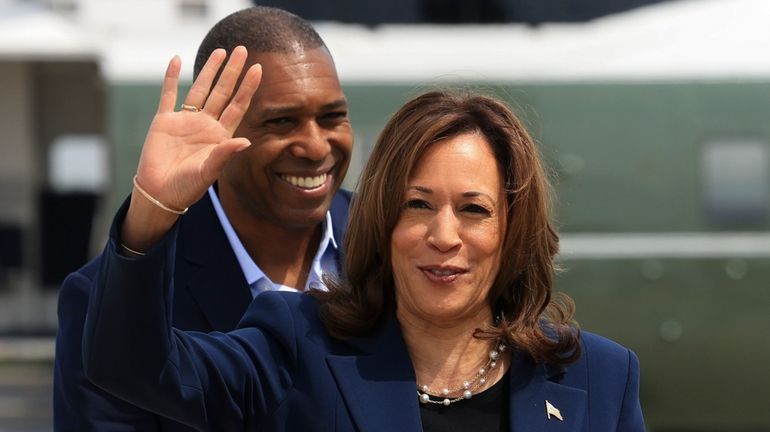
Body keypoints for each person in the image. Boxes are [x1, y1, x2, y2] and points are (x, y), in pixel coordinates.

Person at [81, 41, 645, 431]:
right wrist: (154, 211)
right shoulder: (296, 345)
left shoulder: (599, 375)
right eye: (417, 205)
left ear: (512, 231)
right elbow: (130, 368)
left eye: (474, 210)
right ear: (383, 221)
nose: (444, 235)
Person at [53, 7, 353, 431]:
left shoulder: (401, 246)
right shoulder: (105, 302)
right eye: (282, 122)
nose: (315, 145)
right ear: (219, 129)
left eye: (332, 117)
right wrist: (151, 209)